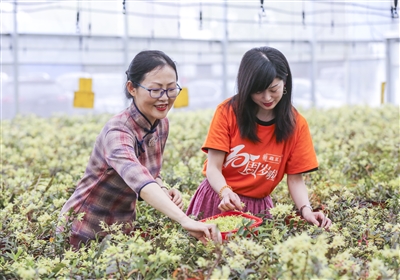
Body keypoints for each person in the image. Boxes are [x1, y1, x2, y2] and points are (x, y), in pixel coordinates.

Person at [59, 50, 221, 248]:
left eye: (171, 89)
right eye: (155, 90)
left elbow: (151, 174)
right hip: (81, 230)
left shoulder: (161, 124)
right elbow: (139, 180)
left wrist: (163, 189)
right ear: (132, 88)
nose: (164, 98)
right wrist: (185, 220)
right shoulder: (118, 131)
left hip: (120, 231)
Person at [186, 46, 332, 229]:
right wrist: (225, 192)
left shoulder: (297, 125)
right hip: (218, 197)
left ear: (284, 82)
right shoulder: (227, 112)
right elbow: (213, 168)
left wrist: (306, 210)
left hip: (258, 208)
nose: (266, 97)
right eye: (257, 91)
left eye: (273, 88)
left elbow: (295, 179)